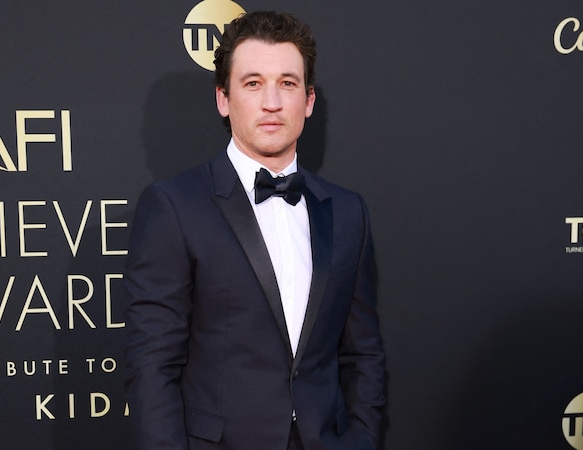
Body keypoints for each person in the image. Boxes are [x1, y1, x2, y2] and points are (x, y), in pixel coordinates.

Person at [123, 10, 386, 450]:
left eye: (287, 83)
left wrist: (360, 439)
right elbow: (152, 366)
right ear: (223, 99)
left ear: (308, 100)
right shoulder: (174, 206)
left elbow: (363, 353)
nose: (271, 102)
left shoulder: (347, 210)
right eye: (252, 83)